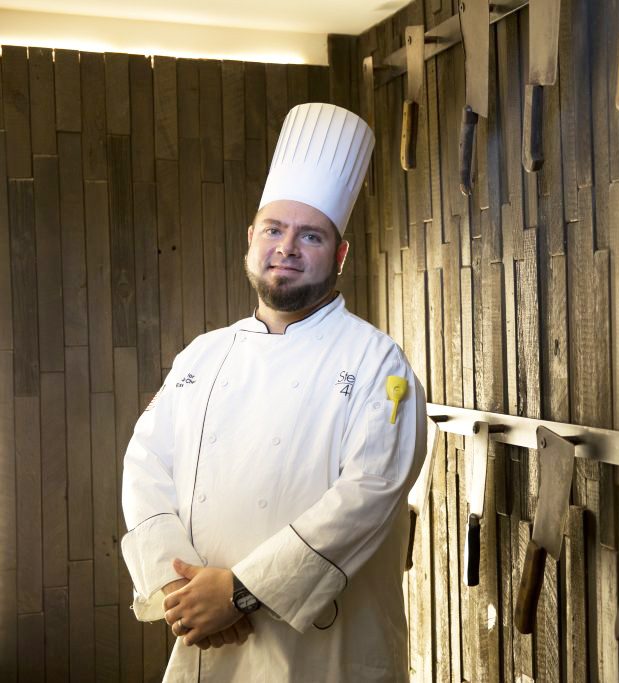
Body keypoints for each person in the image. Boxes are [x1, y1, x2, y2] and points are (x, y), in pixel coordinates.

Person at [121, 102, 427, 681]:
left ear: (339, 257)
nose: (286, 247)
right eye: (274, 229)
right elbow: (145, 467)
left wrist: (239, 593)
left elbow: (369, 495)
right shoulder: (203, 355)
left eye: (310, 235)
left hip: (325, 654)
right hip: (204, 641)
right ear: (251, 238)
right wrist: (178, 586)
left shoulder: (377, 362)